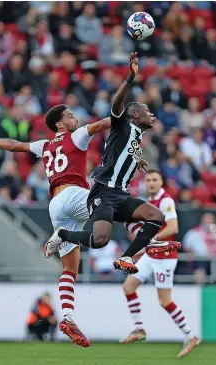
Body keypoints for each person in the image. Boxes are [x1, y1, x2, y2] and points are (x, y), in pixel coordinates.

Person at [0, 104, 112, 348]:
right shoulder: (76, 136)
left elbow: (16, 145)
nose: (74, 117)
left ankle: (68, 317)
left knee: (70, 269)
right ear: (60, 124)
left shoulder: (44, 145)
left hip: (56, 204)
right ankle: (148, 237)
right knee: (116, 202)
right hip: (74, 194)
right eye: (69, 115)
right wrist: (127, 116)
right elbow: (101, 125)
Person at [45, 52, 181, 275]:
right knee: (100, 240)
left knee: (156, 216)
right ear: (134, 114)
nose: (151, 115)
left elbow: (122, 152)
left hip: (121, 194)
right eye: (147, 111)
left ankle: (128, 255)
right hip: (103, 191)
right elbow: (116, 104)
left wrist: (136, 159)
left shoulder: (136, 137)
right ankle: (62, 235)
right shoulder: (122, 125)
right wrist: (129, 77)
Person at [120, 170, 199, 358]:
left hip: (165, 257)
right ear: (144, 184)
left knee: (165, 301)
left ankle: (190, 335)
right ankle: (139, 329)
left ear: (161, 182)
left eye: (155, 180)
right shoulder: (148, 203)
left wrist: (150, 238)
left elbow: (173, 228)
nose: (151, 183)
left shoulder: (166, 201)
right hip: (151, 255)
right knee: (128, 286)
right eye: (148, 180)